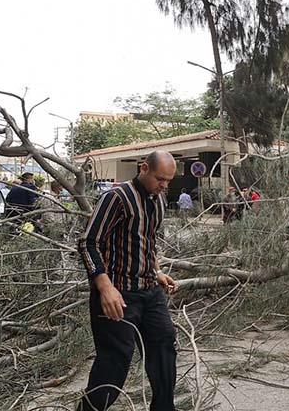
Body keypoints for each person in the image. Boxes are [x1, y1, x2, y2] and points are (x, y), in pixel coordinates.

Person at [77, 151, 179, 411]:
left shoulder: (159, 200)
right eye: (160, 179)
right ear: (143, 168)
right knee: (114, 363)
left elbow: (147, 242)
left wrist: (156, 272)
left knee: (164, 346)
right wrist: (105, 288)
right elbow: (89, 243)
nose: (164, 185)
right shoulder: (116, 198)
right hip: (118, 295)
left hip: (149, 291)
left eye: (169, 181)